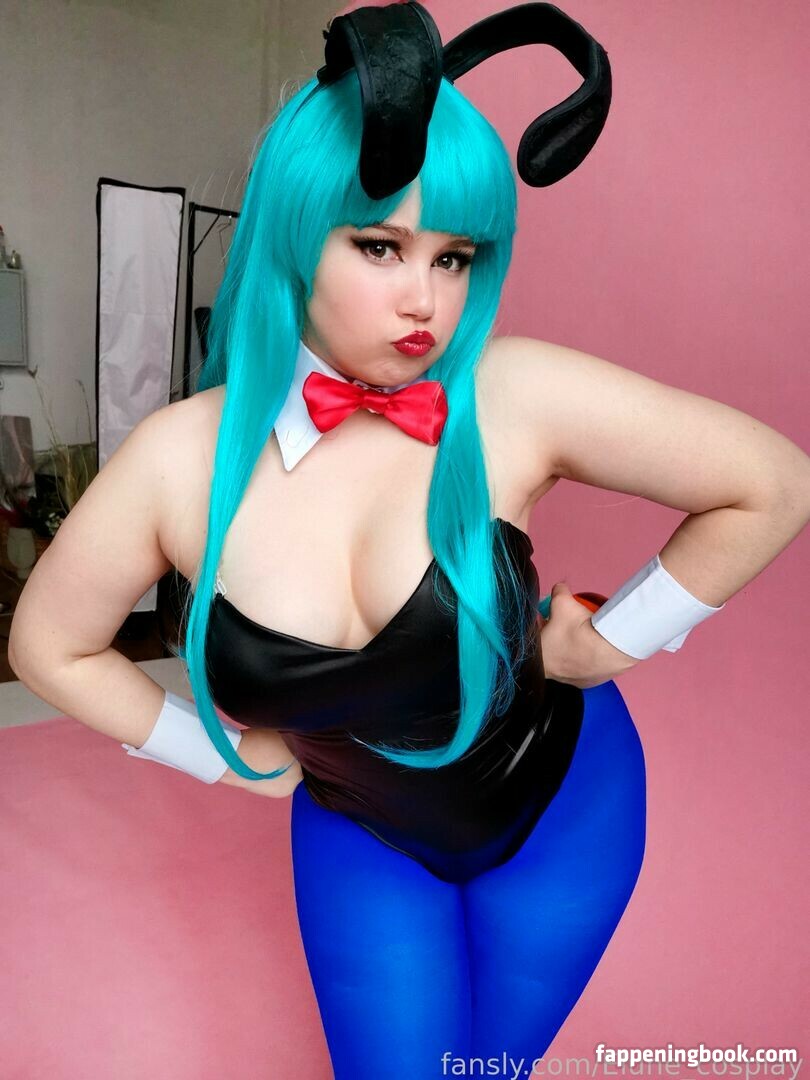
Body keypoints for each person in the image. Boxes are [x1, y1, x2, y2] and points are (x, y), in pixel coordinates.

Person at [9, 3, 810, 1077]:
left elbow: (773, 484)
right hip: (362, 832)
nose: (426, 301)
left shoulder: (512, 396)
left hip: (564, 813)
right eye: (381, 245)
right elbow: (49, 645)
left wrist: (611, 641)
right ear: (297, 232)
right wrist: (223, 760)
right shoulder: (175, 462)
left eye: (455, 256)